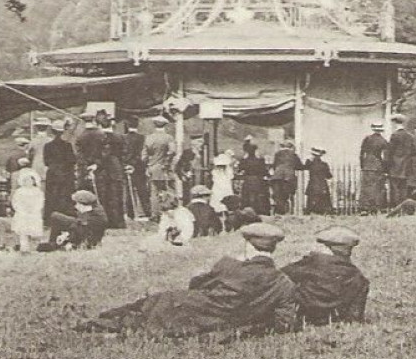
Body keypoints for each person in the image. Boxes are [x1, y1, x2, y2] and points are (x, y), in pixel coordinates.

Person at [77, 221, 301, 339]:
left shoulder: (231, 265)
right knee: (146, 312)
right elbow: (284, 323)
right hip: (224, 323)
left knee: (147, 306)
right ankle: (104, 326)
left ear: (248, 244)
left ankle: (96, 324)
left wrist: (231, 263)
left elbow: (196, 284)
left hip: (192, 308)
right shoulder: (284, 283)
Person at [281, 225, 370, 326]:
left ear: (327, 246)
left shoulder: (311, 263)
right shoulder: (358, 276)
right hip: (334, 321)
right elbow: (355, 316)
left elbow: (282, 274)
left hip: (305, 318)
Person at [40, 119, 77, 230]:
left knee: (51, 197)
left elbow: (46, 161)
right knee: (65, 196)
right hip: (66, 174)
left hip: (52, 174)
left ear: (52, 131)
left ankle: (49, 220)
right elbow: (72, 160)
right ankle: (65, 219)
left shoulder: (47, 146)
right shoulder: (67, 145)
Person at [45, 188, 110, 250]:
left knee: (56, 216)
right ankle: (53, 243)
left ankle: (53, 243)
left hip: (86, 241)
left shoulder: (94, 218)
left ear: (84, 204)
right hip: (85, 237)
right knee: (56, 216)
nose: (75, 206)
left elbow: (81, 229)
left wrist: (67, 238)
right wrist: (66, 235)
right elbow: (79, 226)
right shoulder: (94, 211)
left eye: (77, 203)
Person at [95, 114, 129, 226]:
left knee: (105, 195)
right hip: (117, 169)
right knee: (117, 195)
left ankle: (107, 221)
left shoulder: (102, 137)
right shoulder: (120, 137)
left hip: (105, 170)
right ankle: (118, 221)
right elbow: (124, 153)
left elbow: (104, 154)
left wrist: (96, 165)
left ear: (99, 124)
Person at [143, 115, 177, 217]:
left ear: (154, 125)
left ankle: (155, 214)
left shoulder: (149, 138)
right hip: (165, 168)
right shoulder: (169, 137)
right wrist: (166, 163)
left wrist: (148, 166)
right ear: (165, 125)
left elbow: (143, 156)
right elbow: (172, 151)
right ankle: (169, 212)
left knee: (154, 193)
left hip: (152, 168)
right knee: (169, 190)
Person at [9, 159, 45, 253]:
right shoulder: (20, 192)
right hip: (23, 213)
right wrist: (21, 209)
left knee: (33, 231)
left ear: (34, 181)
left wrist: (34, 209)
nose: (28, 182)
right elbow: (15, 202)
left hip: (33, 213)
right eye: (26, 180)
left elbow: (40, 202)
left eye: (30, 180)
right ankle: (24, 247)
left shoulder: (37, 192)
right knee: (23, 231)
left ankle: (34, 247)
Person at [384, 114, 416, 207]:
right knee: (403, 188)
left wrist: (386, 167)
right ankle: (403, 207)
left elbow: (389, 153)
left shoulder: (394, 136)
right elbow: (414, 152)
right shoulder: (410, 136)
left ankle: (394, 207)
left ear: (395, 123)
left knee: (394, 188)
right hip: (406, 167)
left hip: (395, 167)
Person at [121, 118, 149, 218]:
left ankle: (130, 213)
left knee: (128, 190)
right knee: (142, 190)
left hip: (126, 167)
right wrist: (133, 164)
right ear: (137, 126)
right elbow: (141, 153)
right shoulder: (142, 138)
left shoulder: (123, 137)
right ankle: (147, 212)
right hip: (138, 167)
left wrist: (126, 164)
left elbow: (122, 153)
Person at [358, 120, 388, 210]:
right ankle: (375, 206)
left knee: (366, 187)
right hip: (378, 165)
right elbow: (385, 157)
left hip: (367, 165)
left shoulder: (367, 139)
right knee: (377, 187)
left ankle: (364, 207)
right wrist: (385, 168)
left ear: (373, 129)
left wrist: (362, 165)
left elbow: (361, 154)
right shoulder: (383, 141)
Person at [269, 139, 302, 215]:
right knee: (286, 196)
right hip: (288, 177)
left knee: (278, 196)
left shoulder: (277, 154)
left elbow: (274, 165)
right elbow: (299, 166)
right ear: (291, 147)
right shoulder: (294, 155)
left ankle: (279, 212)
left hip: (277, 177)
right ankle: (286, 212)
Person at [238, 139, 270, 216]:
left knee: (247, 196)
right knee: (258, 196)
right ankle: (258, 211)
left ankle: (248, 211)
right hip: (258, 180)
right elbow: (264, 171)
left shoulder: (244, 160)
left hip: (248, 180)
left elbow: (240, 169)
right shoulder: (260, 160)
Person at [303, 147, 334, 213]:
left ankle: (312, 212)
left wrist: (309, 160)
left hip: (313, 184)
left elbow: (304, 167)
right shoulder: (324, 164)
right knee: (323, 201)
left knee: (312, 201)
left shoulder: (310, 163)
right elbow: (329, 176)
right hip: (322, 185)